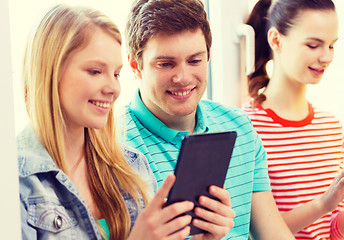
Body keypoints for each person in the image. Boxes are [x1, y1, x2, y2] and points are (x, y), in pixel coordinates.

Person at [18, 4, 201, 240]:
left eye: (116, 74)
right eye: (95, 71)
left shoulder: (132, 166)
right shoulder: (18, 181)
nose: (114, 88)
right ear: (51, 72)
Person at [124, 0, 295, 239]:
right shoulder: (110, 144)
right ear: (136, 65)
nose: (183, 78)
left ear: (209, 55)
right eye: (166, 64)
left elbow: (273, 234)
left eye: (194, 60)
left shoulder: (240, 128)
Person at [242, 0, 344, 239]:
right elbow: (252, 232)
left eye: (331, 45)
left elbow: (332, 229)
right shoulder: (247, 126)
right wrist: (323, 204)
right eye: (313, 45)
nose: (326, 57)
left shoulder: (331, 127)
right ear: (276, 40)